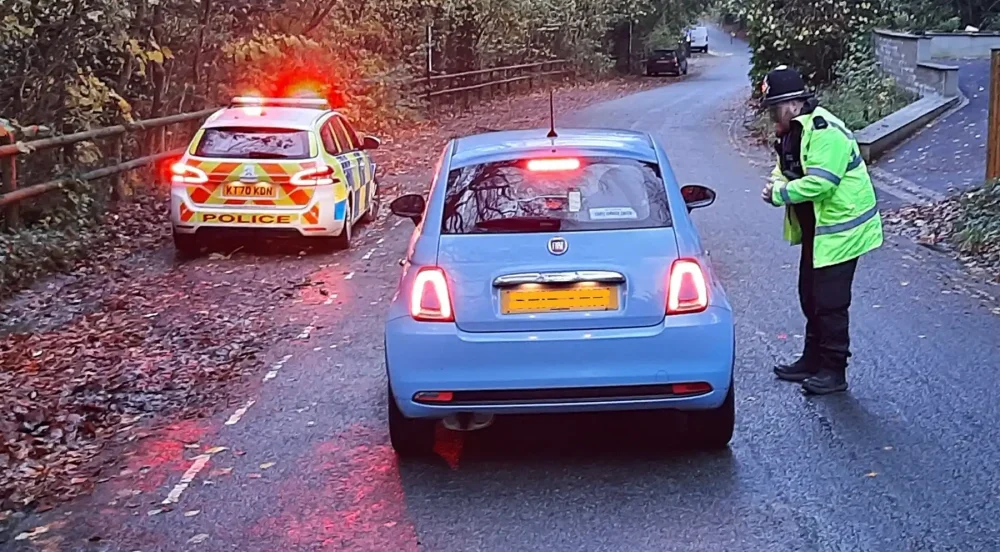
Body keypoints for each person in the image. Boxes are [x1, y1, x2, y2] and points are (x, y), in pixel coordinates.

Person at [759, 65, 884, 395]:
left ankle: (834, 370)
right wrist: (776, 182)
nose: (773, 118)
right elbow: (783, 168)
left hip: (842, 230)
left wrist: (780, 194)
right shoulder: (793, 134)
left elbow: (822, 183)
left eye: (775, 110)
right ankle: (812, 360)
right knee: (810, 295)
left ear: (794, 105)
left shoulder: (824, 131)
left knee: (830, 302)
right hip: (819, 228)